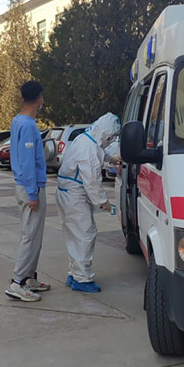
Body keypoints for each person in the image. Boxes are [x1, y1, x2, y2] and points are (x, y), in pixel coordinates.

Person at [56, 113, 120, 292]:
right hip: (74, 196)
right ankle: (82, 279)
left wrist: (111, 158)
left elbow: (99, 152)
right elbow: (92, 181)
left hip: (67, 193)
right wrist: (103, 202)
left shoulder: (85, 139)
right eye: (111, 137)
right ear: (106, 133)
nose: (111, 140)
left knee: (74, 235)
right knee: (85, 234)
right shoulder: (89, 149)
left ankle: (74, 273)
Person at [6, 80, 51, 302]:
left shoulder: (18, 121)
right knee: (30, 235)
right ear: (39, 99)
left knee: (35, 235)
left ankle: (29, 277)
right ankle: (17, 282)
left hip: (27, 185)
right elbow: (27, 162)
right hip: (30, 187)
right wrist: (33, 193)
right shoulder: (28, 126)